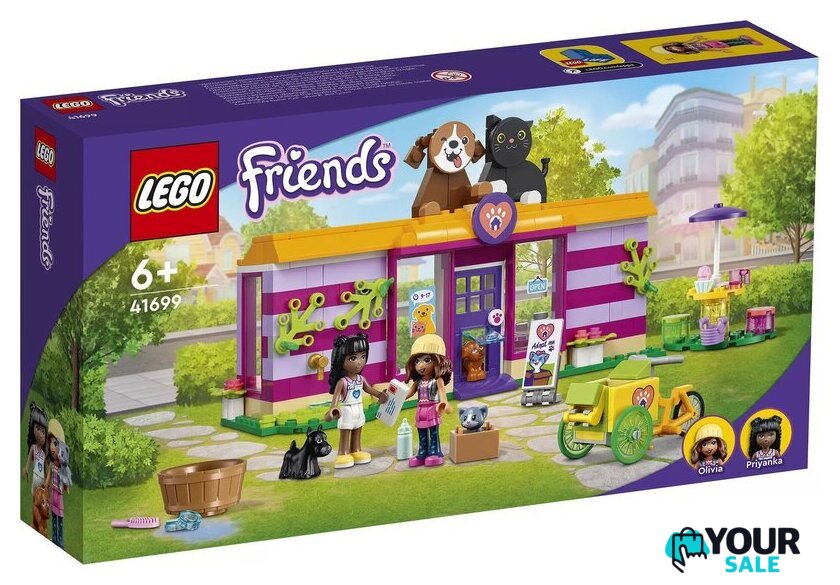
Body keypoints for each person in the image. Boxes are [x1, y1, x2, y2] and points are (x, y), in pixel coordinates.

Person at [325, 333, 387, 469]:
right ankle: (343, 453)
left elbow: (369, 389)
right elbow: (335, 400)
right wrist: (333, 409)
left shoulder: (361, 379)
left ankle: (356, 450)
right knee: (346, 431)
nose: (359, 362)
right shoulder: (342, 382)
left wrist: (380, 395)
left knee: (358, 428)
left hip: (359, 408)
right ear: (341, 360)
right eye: (353, 358)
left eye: (363, 357)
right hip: (347, 409)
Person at [404, 334, 452, 468]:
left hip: (432, 408)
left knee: (433, 431)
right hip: (421, 410)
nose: (420, 365)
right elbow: (408, 393)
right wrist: (395, 399)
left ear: (438, 361)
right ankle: (422, 452)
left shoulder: (437, 380)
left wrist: (444, 404)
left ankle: (435, 452)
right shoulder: (418, 382)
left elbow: (442, 395)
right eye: (417, 361)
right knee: (421, 431)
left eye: (427, 360)